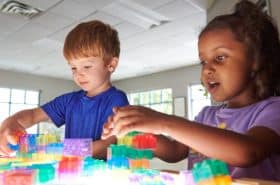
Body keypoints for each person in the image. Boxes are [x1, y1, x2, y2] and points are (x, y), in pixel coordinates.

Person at [102, 0, 280, 180]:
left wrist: (163, 121)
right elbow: (175, 151)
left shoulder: (272, 110)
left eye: (219, 57)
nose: (207, 69)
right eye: (204, 62)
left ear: (256, 60)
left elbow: (248, 152)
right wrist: (134, 131)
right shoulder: (206, 115)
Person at [0, 20, 129, 159]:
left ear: (111, 64)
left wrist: (57, 150)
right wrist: (11, 122)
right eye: (73, 67)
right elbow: (33, 115)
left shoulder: (117, 100)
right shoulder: (69, 101)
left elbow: (109, 145)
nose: (78, 74)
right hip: (71, 174)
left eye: (86, 66)